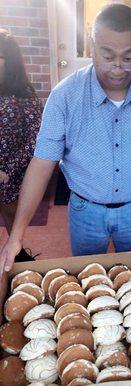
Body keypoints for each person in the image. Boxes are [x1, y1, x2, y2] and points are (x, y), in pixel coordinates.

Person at [0, 4, 131, 276]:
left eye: (129, 57)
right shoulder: (64, 96)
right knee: (87, 283)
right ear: (92, 45)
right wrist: (17, 234)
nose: (118, 68)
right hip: (85, 210)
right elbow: (42, 163)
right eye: (107, 56)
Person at [0, 29, 42, 262]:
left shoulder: (25, 95)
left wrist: (7, 171)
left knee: (12, 220)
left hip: (11, 174)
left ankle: (20, 258)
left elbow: (35, 140)